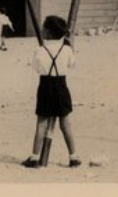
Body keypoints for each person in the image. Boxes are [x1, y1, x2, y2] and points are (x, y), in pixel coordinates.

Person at [21, 15, 80, 169]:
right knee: (65, 124)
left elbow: (36, 68)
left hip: (45, 87)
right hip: (61, 86)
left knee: (41, 123)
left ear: (47, 32)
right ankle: (73, 157)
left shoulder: (40, 50)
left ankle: (34, 157)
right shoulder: (67, 49)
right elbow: (72, 64)